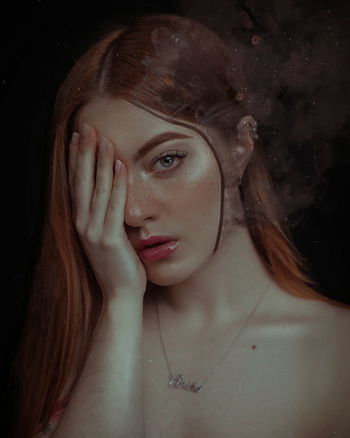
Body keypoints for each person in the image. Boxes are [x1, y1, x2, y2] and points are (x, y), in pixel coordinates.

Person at [11, 13, 350, 438]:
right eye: (104, 177)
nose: (132, 212)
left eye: (167, 160)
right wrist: (120, 303)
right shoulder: (81, 343)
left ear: (240, 145)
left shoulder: (340, 352)